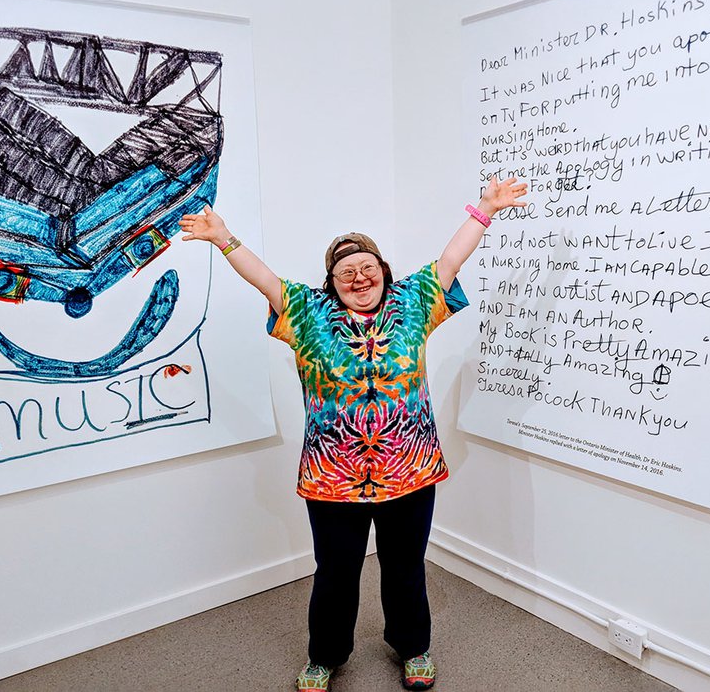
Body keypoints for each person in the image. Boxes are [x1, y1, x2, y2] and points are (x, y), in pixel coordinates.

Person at [178, 176, 527, 691]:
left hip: (410, 469)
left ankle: (413, 647)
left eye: (367, 268)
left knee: (404, 566)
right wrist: (223, 237)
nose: (358, 277)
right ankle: (325, 655)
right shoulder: (306, 313)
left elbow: (451, 260)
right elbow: (265, 280)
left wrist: (484, 210)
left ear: (383, 271)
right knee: (335, 573)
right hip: (331, 475)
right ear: (332, 283)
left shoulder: (414, 302)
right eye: (346, 273)